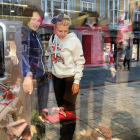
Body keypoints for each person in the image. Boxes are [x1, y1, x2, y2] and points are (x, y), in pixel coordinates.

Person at [48, 13, 85, 140]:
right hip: (57, 79)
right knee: (60, 110)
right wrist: (50, 69)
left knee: (69, 110)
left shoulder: (74, 41)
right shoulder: (53, 38)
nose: (63, 33)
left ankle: (67, 136)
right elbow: (50, 55)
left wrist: (77, 81)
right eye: (60, 30)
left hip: (70, 79)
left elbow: (80, 62)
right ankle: (63, 133)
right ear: (55, 28)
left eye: (65, 30)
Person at [14, 5, 49, 125]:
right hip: (32, 83)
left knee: (42, 116)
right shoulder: (22, 32)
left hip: (43, 81)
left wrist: (46, 71)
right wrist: (27, 76)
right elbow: (22, 53)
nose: (36, 22)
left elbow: (40, 56)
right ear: (27, 18)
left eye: (39, 20)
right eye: (33, 19)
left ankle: (40, 136)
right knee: (29, 118)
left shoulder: (36, 34)